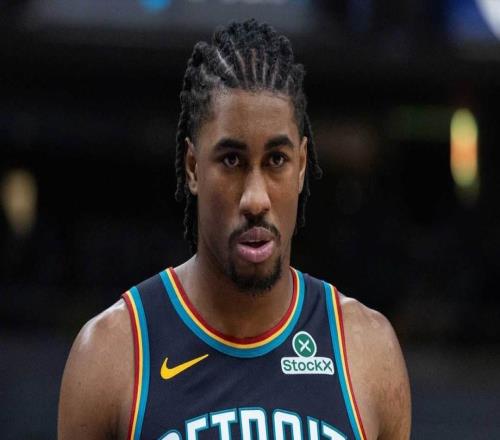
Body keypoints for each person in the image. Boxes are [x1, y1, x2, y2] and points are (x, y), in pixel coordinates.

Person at [58, 19, 411, 440]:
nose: (255, 199)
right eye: (231, 161)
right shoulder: (110, 355)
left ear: (301, 166)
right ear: (192, 167)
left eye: (276, 160)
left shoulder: (368, 351)